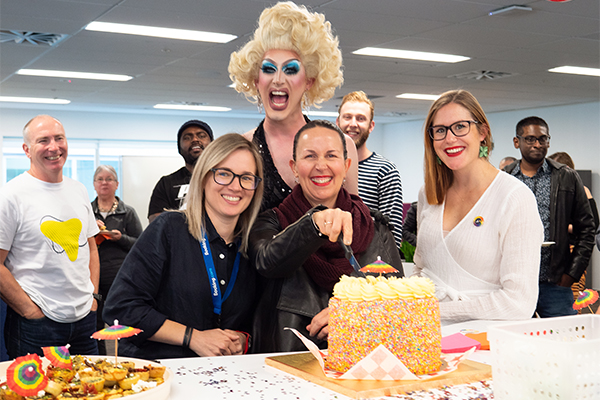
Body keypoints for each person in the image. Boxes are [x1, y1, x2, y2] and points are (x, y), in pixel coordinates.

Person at [104, 134, 263, 359]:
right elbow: (120, 309)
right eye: (224, 174)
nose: (235, 186)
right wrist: (193, 337)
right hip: (162, 373)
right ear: (203, 177)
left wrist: (243, 339)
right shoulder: (169, 229)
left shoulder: (254, 246)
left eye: (246, 177)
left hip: (225, 378)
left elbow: (254, 319)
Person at [248, 120, 402, 353]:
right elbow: (266, 262)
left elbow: (400, 302)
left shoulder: (375, 227)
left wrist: (353, 314)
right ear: (294, 167)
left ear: (347, 164)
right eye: (310, 156)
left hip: (363, 363)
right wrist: (313, 225)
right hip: (290, 362)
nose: (321, 166)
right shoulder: (271, 221)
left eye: (331, 156)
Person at [414, 90, 544, 322]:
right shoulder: (429, 193)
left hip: (486, 343)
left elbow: (518, 303)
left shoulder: (514, 198)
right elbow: (421, 269)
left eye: (460, 126)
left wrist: (435, 312)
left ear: (482, 132)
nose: (450, 139)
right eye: (440, 130)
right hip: (426, 336)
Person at [228, 1, 359, 211]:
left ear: (309, 81)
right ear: (256, 79)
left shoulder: (342, 147)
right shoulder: (241, 148)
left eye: (290, 70)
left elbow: (355, 221)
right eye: (269, 69)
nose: (278, 79)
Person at [0, 115, 100, 357]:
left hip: (85, 318)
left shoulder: (78, 189)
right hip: (38, 323)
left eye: (59, 138)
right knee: (38, 394)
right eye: (43, 140)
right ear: (27, 149)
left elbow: (92, 249)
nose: (54, 147)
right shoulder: (11, 195)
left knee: (92, 390)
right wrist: (29, 310)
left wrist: (94, 297)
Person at [505, 118, 596, 317]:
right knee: (515, 341)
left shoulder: (566, 176)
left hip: (555, 282)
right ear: (516, 141)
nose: (537, 144)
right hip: (513, 284)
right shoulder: (504, 179)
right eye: (529, 139)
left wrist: (571, 274)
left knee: (564, 341)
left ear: (548, 141)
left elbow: (588, 229)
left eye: (542, 139)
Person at [336, 91, 404, 250]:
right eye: (347, 117)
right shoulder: (326, 168)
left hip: (368, 265)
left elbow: (392, 235)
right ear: (338, 122)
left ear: (371, 126)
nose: (353, 124)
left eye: (360, 118)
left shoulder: (385, 171)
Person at [91, 165, 143, 354]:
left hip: (119, 276)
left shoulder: (127, 212)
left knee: (121, 320)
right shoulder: (86, 211)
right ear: (94, 185)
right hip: (92, 277)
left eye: (109, 179)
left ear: (117, 184)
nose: (104, 183)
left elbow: (140, 244)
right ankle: (97, 359)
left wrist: (120, 238)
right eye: (100, 179)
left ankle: (126, 359)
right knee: (95, 320)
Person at [148, 119, 213, 223]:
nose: (195, 140)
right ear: (179, 148)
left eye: (201, 136)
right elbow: (156, 222)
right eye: (187, 138)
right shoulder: (166, 183)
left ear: (212, 144)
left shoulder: (224, 178)